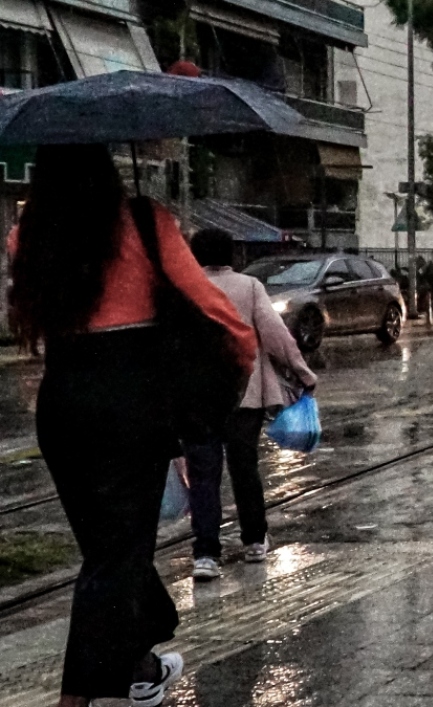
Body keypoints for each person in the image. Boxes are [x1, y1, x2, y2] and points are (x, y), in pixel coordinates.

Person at [7, 145, 254, 707]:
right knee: (113, 558)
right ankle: (76, 698)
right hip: (130, 403)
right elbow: (212, 307)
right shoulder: (146, 221)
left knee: (108, 547)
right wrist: (240, 354)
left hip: (63, 401)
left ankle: (140, 666)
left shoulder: (28, 235)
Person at [185, 229, 317, 580]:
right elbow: (276, 336)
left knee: (203, 475)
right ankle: (255, 540)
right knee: (244, 469)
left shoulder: (184, 288)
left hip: (196, 399)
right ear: (232, 255)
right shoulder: (249, 287)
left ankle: (206, 554)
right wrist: (303, 373)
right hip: (244, 395)